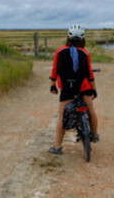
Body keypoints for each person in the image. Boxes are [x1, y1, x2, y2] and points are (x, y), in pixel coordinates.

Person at [48, 25, 100, 155]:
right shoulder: (85, 53)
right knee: (91, 111)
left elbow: (55, 70)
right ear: (83, 39)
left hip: (67, 89)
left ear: (68, 36)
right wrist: (94, 89)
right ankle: (94, 134)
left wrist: (53, 85)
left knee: (62, 117)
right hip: (84, 87)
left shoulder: (59, 52)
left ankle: (58, 147)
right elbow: (89, 74)